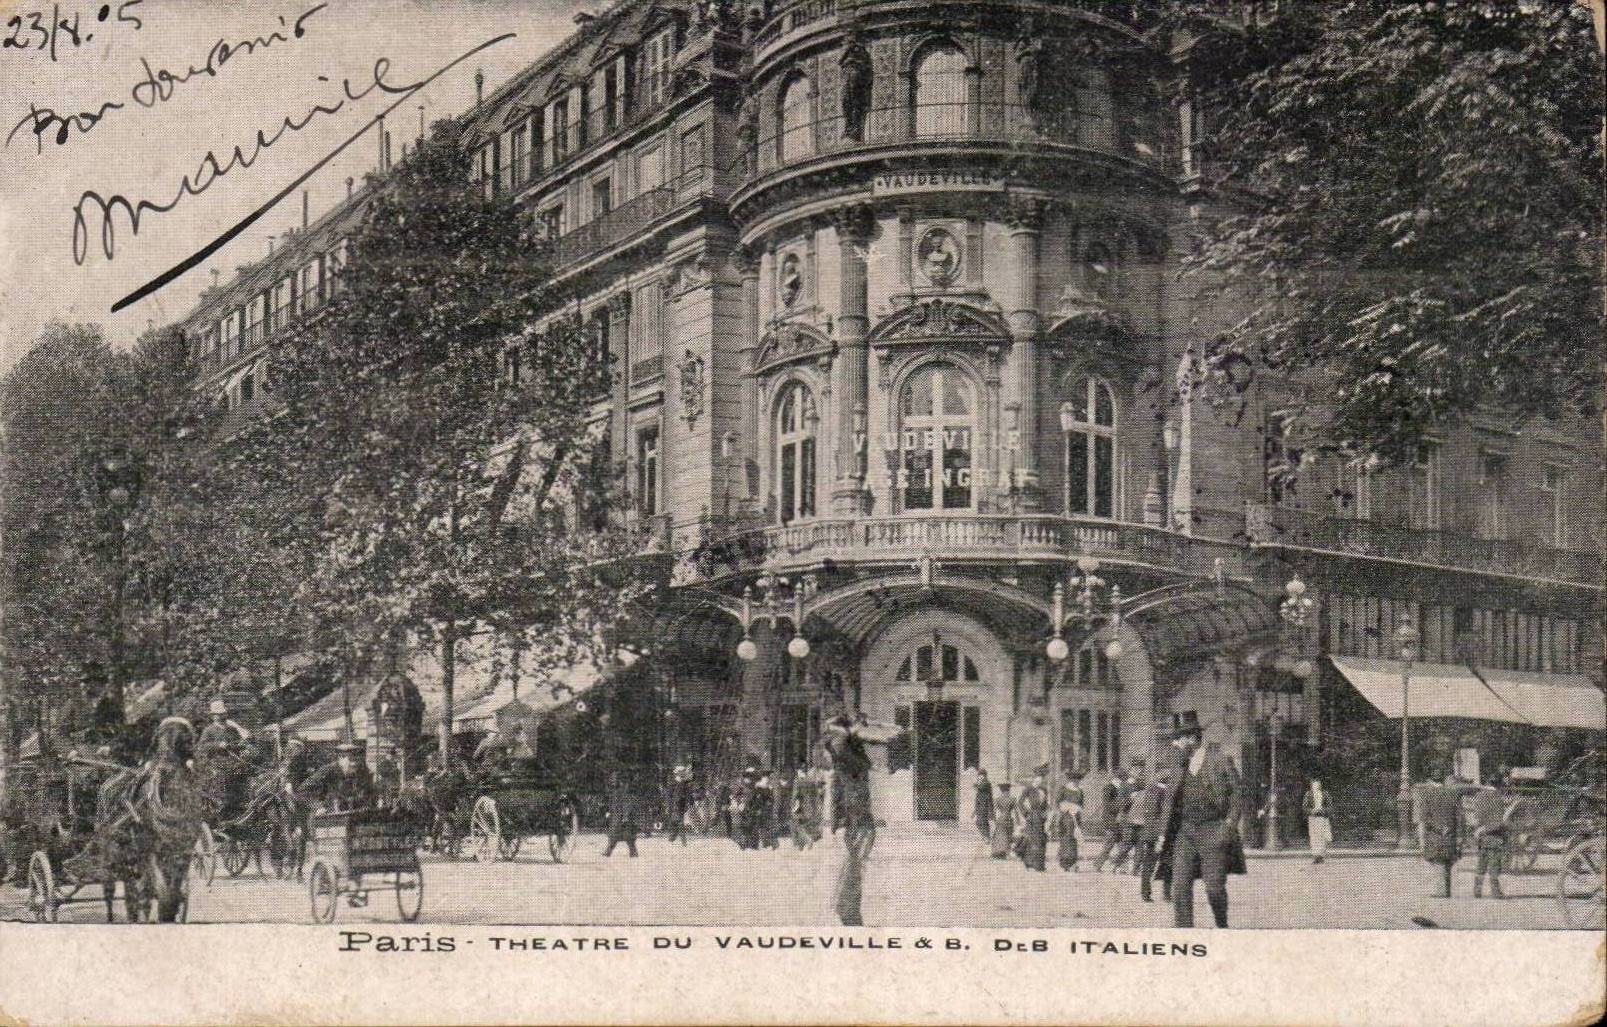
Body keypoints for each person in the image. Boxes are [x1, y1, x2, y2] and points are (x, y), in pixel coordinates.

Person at [1157, 720, 1246, 928]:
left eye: (1179, 740)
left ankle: (1222, 924)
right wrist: (1163, 834)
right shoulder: (1179, 764)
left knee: (1214, 888)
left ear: (1192, 739)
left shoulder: (1221, 760)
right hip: (1185, 832)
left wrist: (1229, 824)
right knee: (1179, 887)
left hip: (1213, 829)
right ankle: (1185, 933)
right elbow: (1169, 799)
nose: (1175, 744)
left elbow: (1237, 794)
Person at [824, 710, 898, 926]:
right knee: (855, 861)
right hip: (855, 813)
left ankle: (847, 909)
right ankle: (848, 911)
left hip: (856, 812)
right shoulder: (842, 747)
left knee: (855, 862)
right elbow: (850, 749)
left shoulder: (846, 747)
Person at [1420, 772, 1472, 897]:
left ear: (1430, 781)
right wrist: (1461, 837)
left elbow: (1423, 820)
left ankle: (1442, 891)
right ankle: (1446, 890)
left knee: (1438, 860)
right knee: (1447, 860)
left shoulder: (1427, 795)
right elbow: (1460, 818)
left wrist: (1422, 839)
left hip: (1435, 834)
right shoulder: (1452, 795)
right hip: (1450, 834)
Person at [299, 742, 375, 814]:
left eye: (357, 761)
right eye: (351, 760)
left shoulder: (361, 770)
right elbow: (303, 790)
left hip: (355, 814)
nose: (355, 765)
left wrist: (367, 804)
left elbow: (370, 791)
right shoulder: (328, 770)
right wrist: (317, 807)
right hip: (330, 815)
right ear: (341, 758)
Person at [1133, 761, 1171, 903]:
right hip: (1161, 832)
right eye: (1167, 772)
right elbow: (1161, 813)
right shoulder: (1164, 791)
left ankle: (1146, 893)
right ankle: (1166, 894)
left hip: (1149, 831)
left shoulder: (1150, 789)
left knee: (1149, 863)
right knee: (1167, 863)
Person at [1470, 777, 1508, 899]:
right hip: (1495, 837)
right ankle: (1495, 892)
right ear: (1498, 785)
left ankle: (1477, 890)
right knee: (1494, 865)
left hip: (1481, 837)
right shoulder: (1498, 798)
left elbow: (1476, 818)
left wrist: (1478, 830)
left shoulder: (1479, 797)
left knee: (1481, 864)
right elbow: (1498, 821)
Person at [1093, 767, 1132, 872]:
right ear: (1118, 778)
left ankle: (1120, 866)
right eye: (1123, 779)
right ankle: (1098, 864)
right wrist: (1122, 803)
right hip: (1110, 821)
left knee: (1122, 844)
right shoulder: (1109, 788)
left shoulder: (1122, 789)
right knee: (1109, 844)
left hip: (1119, 821)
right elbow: (1108, 805)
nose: (1124, 781)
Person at [1017, 765, 1050, 872]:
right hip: (1032, 817)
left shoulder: (1044, 789)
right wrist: (1026, 813)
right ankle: (1029, 863)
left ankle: (1039, 865)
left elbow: (1045, 805)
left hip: (1041, 818)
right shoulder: (1029, 789)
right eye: (1038, 778)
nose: (1040, 780)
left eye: (1042, 778)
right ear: (1034, 778)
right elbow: (1020, 802)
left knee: (1040, 840)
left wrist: (1045, 814)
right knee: (1032, 840)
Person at [603, 770, 640, 857]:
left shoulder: (624, 789)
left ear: (618, 780)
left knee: (627, 835)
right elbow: (612, 802)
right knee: (615, 834)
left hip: (622, 815)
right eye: (611, 779)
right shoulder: (615, 790)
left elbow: (627, 802)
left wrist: (626, 816)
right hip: (616, 814)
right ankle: (609, 851)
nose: (612, 781)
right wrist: (608, 811)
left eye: (613, 779)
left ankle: (633, 852)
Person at [1054, 769, 1085, 871]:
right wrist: (1067, 807)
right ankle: (1066, 863)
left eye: (1078, 780)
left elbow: (1081, 805)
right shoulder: (1063, 789)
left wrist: (1077, 809)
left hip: (1076, 818)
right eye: (1074, 780)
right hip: (1065, 818)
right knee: (1067, 839)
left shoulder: (1080, 791)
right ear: (1070, 780)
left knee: (1074, 839)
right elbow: (1057, 803)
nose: (1076, 782)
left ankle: (1072, 863)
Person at [1303, 780, 1334, 864]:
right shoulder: (1308, 795)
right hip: (1313, 818)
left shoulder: (1325, 794)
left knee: (1322, 837)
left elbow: (1330, 807)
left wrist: (1322, 810)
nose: (1315, 787)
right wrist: (1312, 811)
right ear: (1311, 786)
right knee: (1314, 837)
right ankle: (1315, 856)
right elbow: (1305, 807)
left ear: (1320, 786)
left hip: (1322, 818)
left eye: (1317, 786)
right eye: (1314, 786)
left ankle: (1321, 856)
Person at [666, 764, 694, 845]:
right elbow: (669, 797)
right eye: (681, 772)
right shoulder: (672, 784)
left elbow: (689, 795)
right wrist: (669, 806)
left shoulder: (686, 784)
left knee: (675, 823)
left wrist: (690, 803)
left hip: (683, 806)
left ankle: (671, 839)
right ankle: (683, 842)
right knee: (679, 823)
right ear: (677, 773)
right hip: (675, 806)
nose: (682, 774)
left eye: (683, 772)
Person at [989, 783, 1016, 859]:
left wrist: (993, 820)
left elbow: (994, 811)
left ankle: (999, 852)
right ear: (1009, 790)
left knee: (1000, 836)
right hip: (1009, 819)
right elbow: (1016, 812)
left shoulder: (998, 799)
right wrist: (1018, 822)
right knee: (1009, 835)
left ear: (1001, 791)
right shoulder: (1012, 799)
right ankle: (1007, 852)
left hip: (1000, 819)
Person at [974, 769, 995, 839]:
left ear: (985, 776)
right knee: (978, 822)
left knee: (984, 821)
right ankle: (984, 835)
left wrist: (978, 783)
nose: (980, 777)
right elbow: (977, 793)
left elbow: (980, 787)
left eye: (982, 775)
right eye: (979, 775)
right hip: (980, 805)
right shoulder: (981, 783)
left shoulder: (987, 783)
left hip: (986, 805)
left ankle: (987, 836)